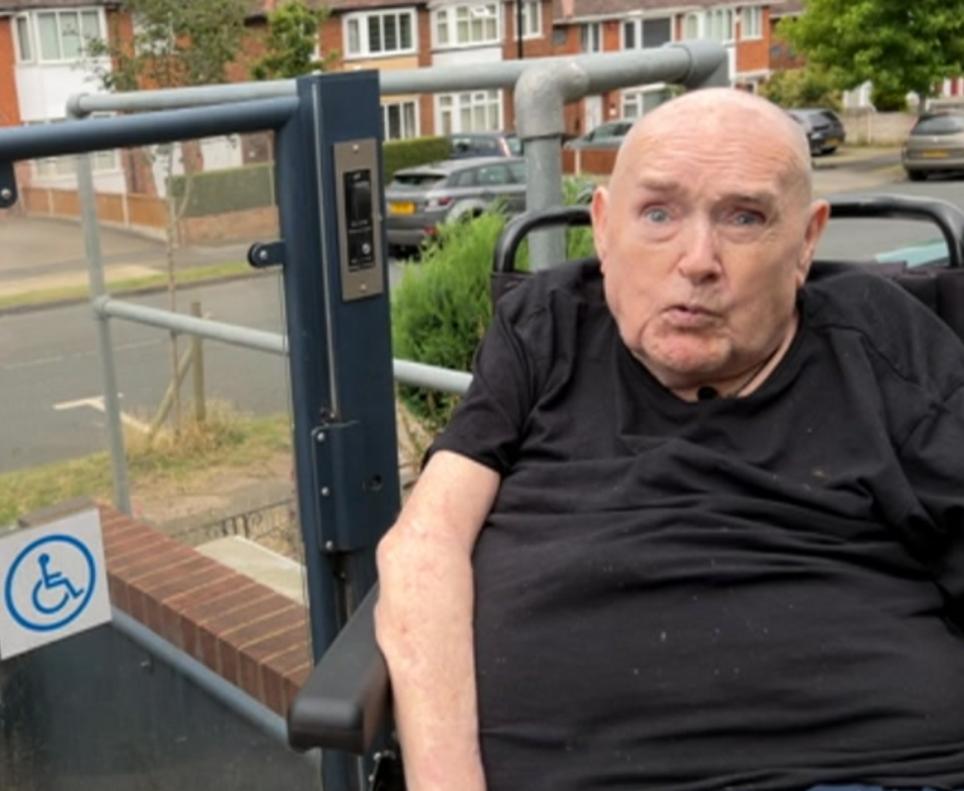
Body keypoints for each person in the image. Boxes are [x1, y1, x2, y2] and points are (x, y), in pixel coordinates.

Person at [374, 87, 964, 791]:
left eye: (744, 217)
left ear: (806, 241)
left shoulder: (882, 340)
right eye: (658, 213)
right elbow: (425, 541)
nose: (698, 259)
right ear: (602, 226)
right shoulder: (547, 327)